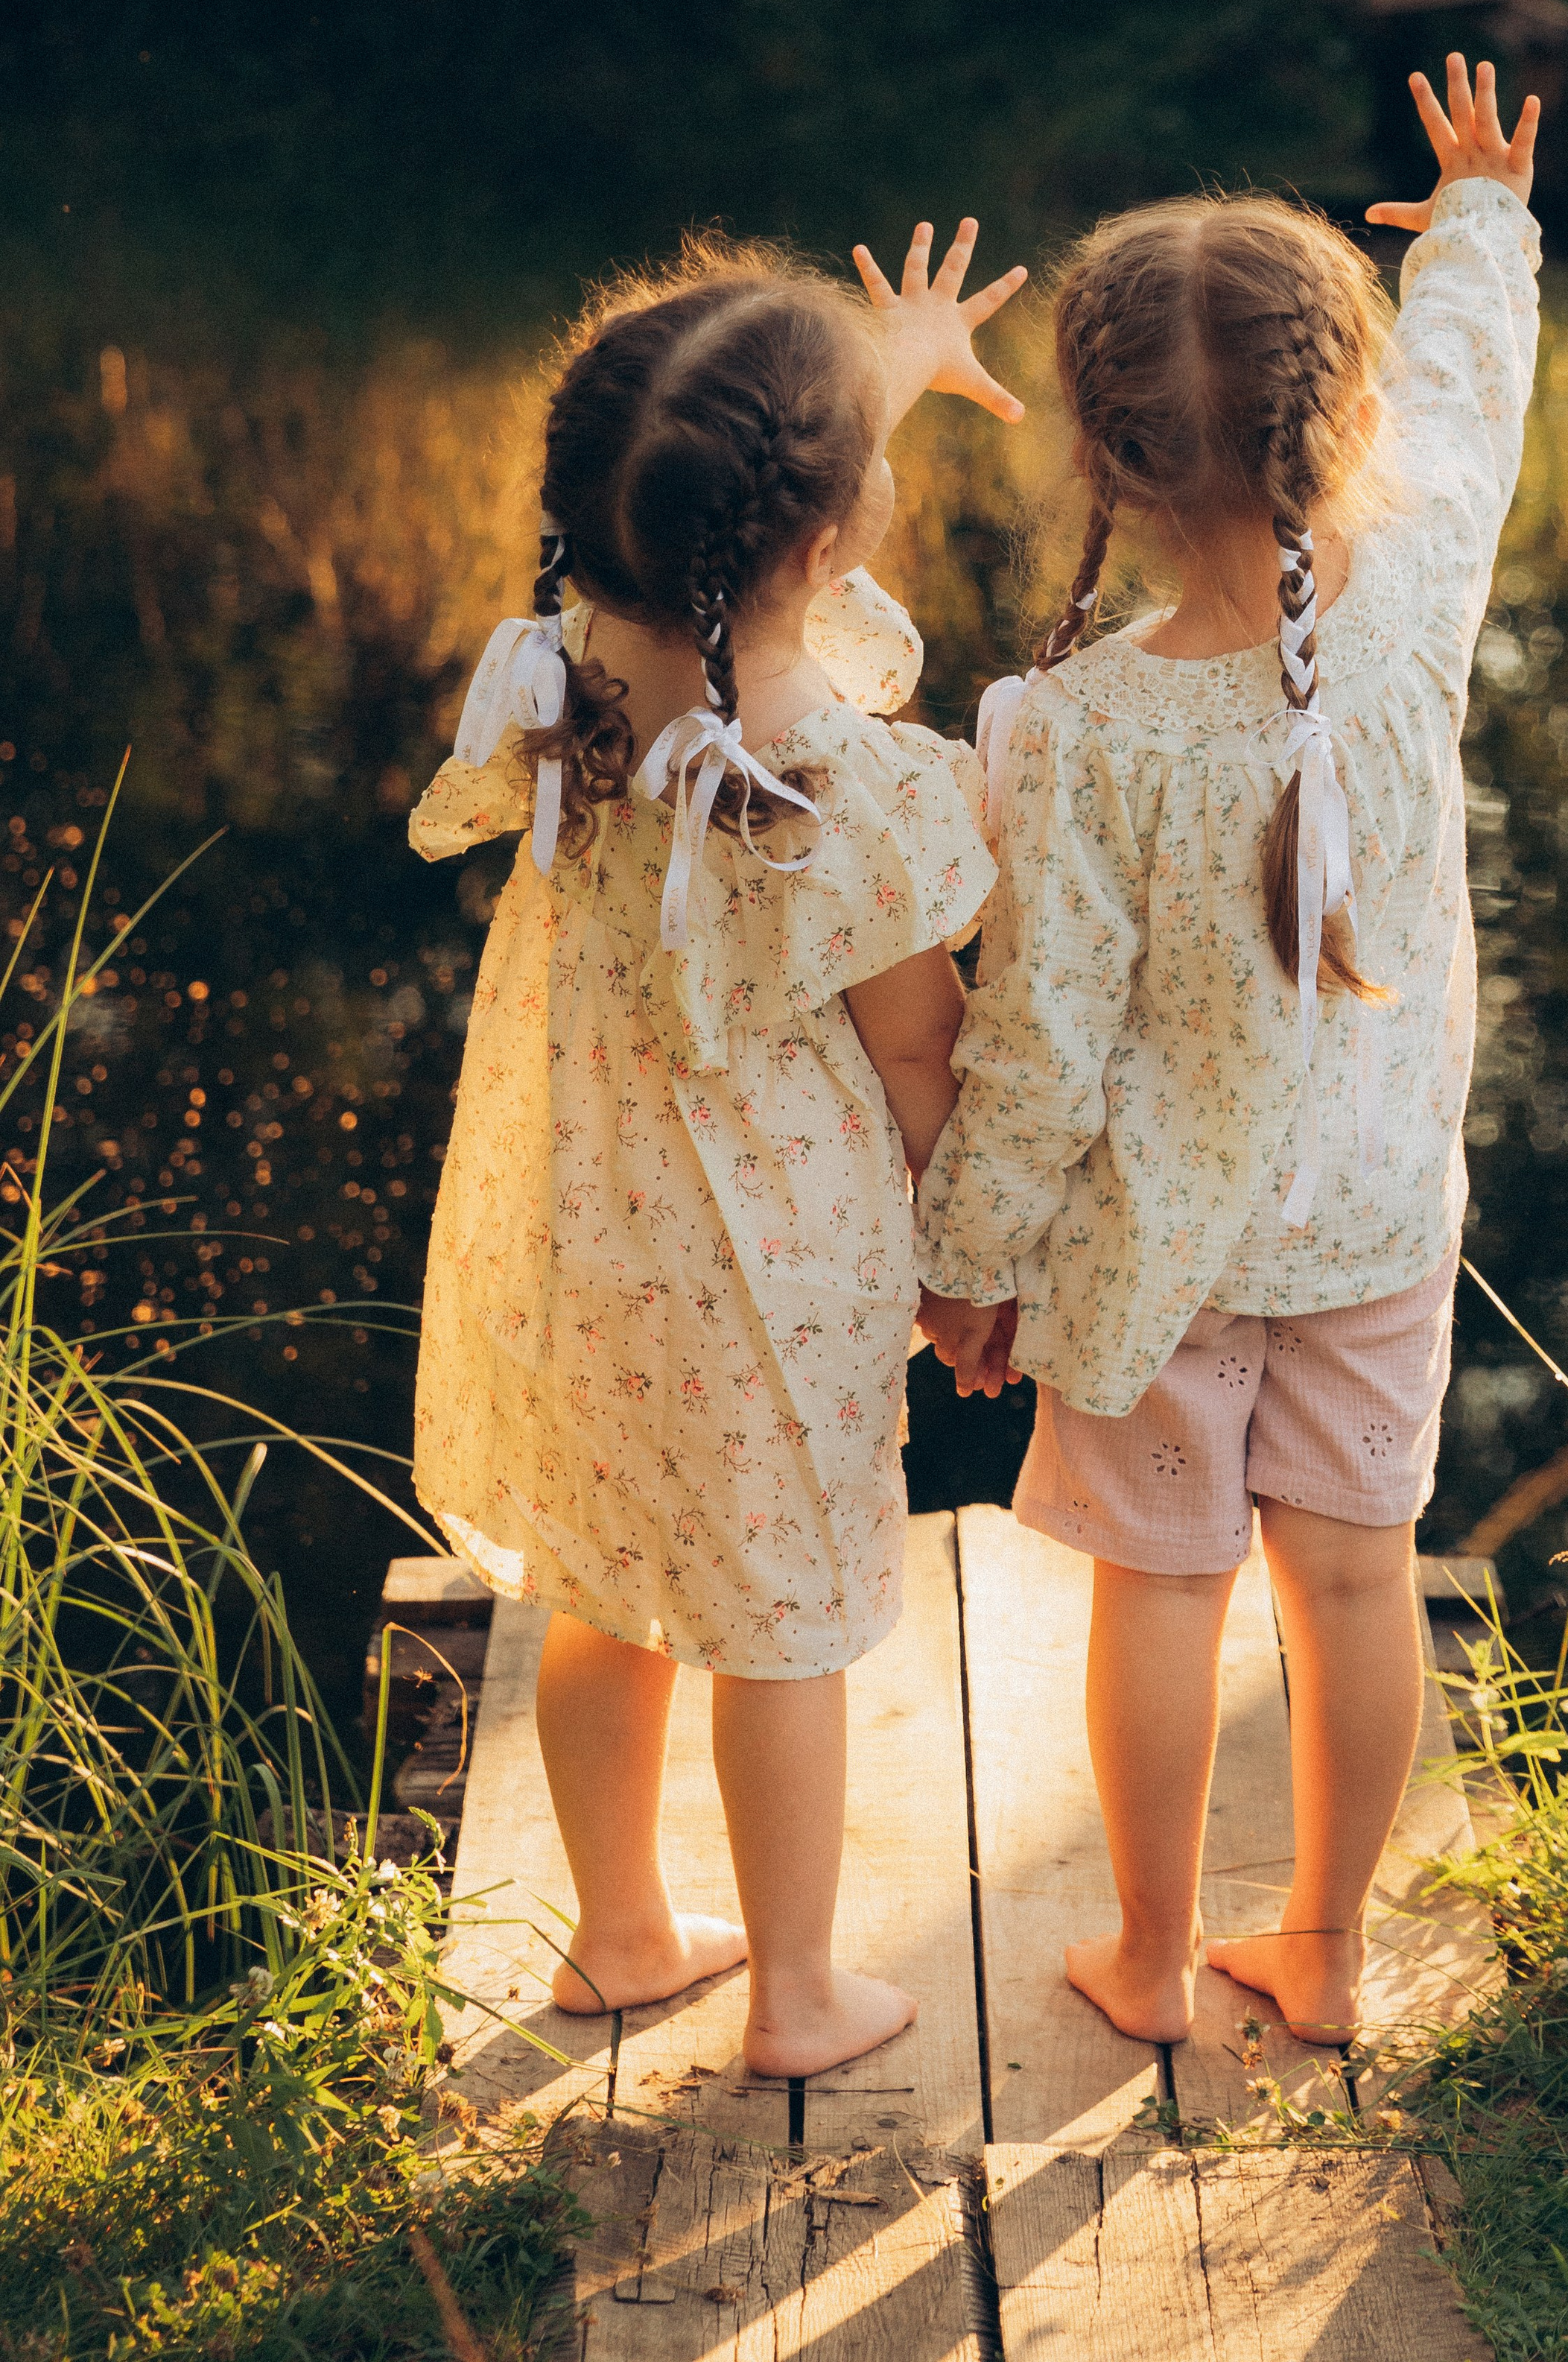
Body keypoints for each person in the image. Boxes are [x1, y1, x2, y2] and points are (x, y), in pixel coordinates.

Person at [916, 58, 1540, 2048]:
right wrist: (1480, 226)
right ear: (1335, 414)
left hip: (1158, 1255)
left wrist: (969, 1257)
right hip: (1374, 1219)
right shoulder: (1421, 574)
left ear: (1099, 456)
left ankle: (1153, 1957)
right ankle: (1334, 1953)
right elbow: (1473, 399)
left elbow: (1038, 1039)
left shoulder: (1079, 729)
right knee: (1360, 1584)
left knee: (1164, 1592)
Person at [410, 218, 1023, 2078]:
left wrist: (880, 369)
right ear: (824, 539)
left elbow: (725, 518)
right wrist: (969, 1261)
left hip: (573, 1235)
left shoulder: (559, 679)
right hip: (768, 1273)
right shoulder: (848, 784)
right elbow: (920, 1054)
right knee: (779, 1627)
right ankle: (799, 1992)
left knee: (609, 1581)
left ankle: (616, 1934)